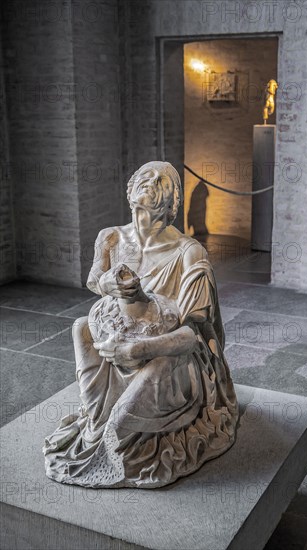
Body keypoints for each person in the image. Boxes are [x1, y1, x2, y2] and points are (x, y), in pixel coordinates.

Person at [43, 161, 239, 489]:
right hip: (118, 336)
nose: (150, 182)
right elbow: (94, 279)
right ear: (131, 187)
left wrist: (136, 349)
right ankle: (97, 422)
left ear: (173, 200)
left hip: (170, 357)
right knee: (81, 327)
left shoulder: (189, 253)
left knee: (157, 367)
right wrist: (107, 284)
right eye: (144, 177)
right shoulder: (110, 238)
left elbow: (192, 335)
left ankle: (118, 431)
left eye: (161, 180)